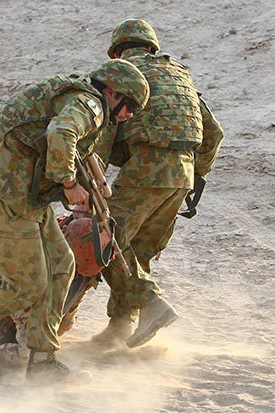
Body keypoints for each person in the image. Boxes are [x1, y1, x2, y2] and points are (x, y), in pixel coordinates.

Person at [0, 59, 149, 379]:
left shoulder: (81, 100)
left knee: (62, 264)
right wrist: (68, 183)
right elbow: (61, 131)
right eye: (129, 106)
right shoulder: (90, 105)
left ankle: (42, 357)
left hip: (24, 195)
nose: (129, 115)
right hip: (6, 193)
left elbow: (73, 146)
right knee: (24, 282)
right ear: (113, 93)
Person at [91, 19, 224, 348]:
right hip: (184, 172)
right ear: (152, 45)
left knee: (103, 238)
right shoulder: (180, 74)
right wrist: (196, 176)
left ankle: (151, 304)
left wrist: (92, 182)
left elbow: (104, 134)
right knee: (138, 249)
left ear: (117, 51)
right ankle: (121, 326)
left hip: (147, 167)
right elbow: (214, 133)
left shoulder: (122, 76)